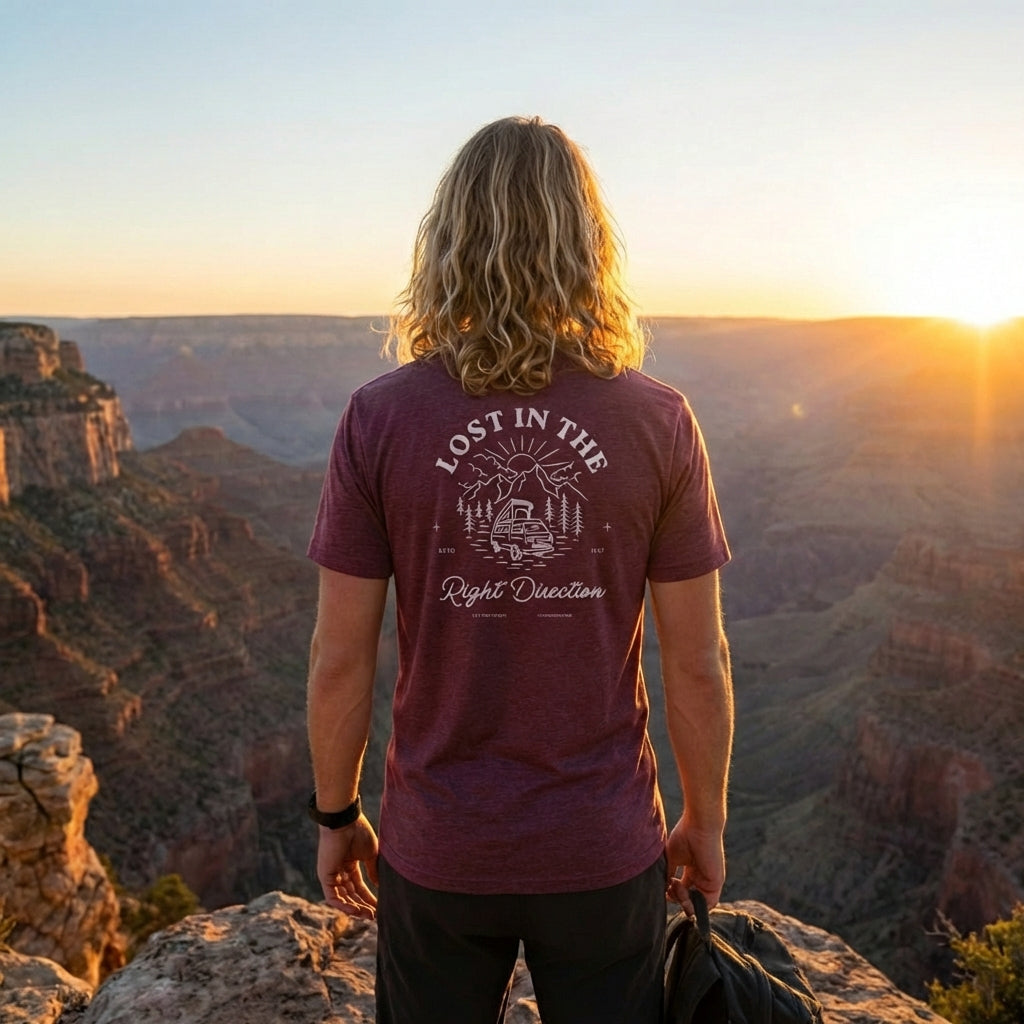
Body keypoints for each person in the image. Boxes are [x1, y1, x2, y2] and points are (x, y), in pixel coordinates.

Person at [306, 115, 734, 1024]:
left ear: (447, 241)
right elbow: (698, 662)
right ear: (589, 244)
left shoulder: (380, 418)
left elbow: (339, 658)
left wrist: (336, 816)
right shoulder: (658, 420)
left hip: (439, 849)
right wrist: (705, 821)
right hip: (602, 850)